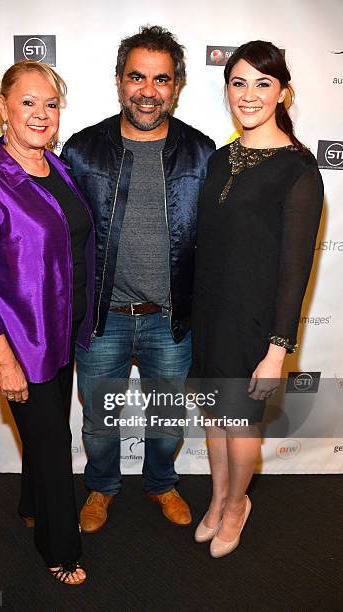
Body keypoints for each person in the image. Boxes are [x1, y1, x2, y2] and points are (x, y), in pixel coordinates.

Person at [61, 25, 215, 532]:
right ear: (119, 81)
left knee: (168, 422)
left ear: (177, 85)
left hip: (170, 322)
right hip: (102, 321)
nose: (148, 91)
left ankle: (160, 483)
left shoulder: (201, 152)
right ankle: (101, 489)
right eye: (137, 77)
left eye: (161, 80)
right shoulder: (82, 151)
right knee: (99, 425)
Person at [0, 60, 95, 584]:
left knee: (48, 434)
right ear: (5, 109)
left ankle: (29, 505)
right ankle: (60, 548)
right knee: (55, 449)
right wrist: (3, 357)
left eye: (51, 103)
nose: (41, 113)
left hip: (65, 332)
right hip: (24, 344)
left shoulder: (58, 171)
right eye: (28, 102)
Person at [189, 40, 323, 557]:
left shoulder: (298, 170)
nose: (248, 94)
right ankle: (220, 496)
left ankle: (240, 504)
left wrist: (276, 350)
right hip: (212, 313)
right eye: (238, 82)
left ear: (283, 92)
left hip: (255, 324)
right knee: (216, 420)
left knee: (240, 425)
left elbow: (296, 270)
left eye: (262, 83)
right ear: (227, 90)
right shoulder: (222, 159)